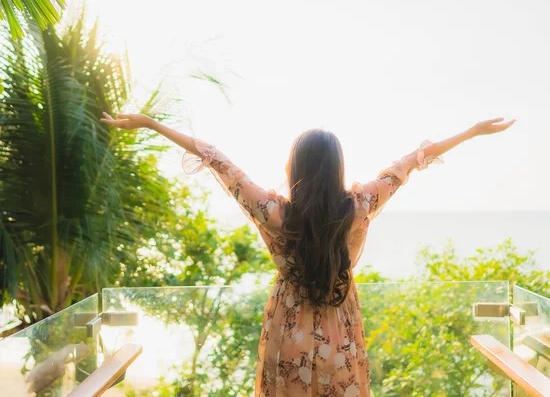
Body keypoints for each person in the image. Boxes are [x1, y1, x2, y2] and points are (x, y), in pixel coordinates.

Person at [100, 112, 515, 396]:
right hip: (340, 321)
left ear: (294, 166)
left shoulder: (275, 214)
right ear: (337, 168)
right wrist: (472, 133)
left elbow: (218, 161)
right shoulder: (356, 207)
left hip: (288, 320)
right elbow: (408, 163)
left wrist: (150, 124)